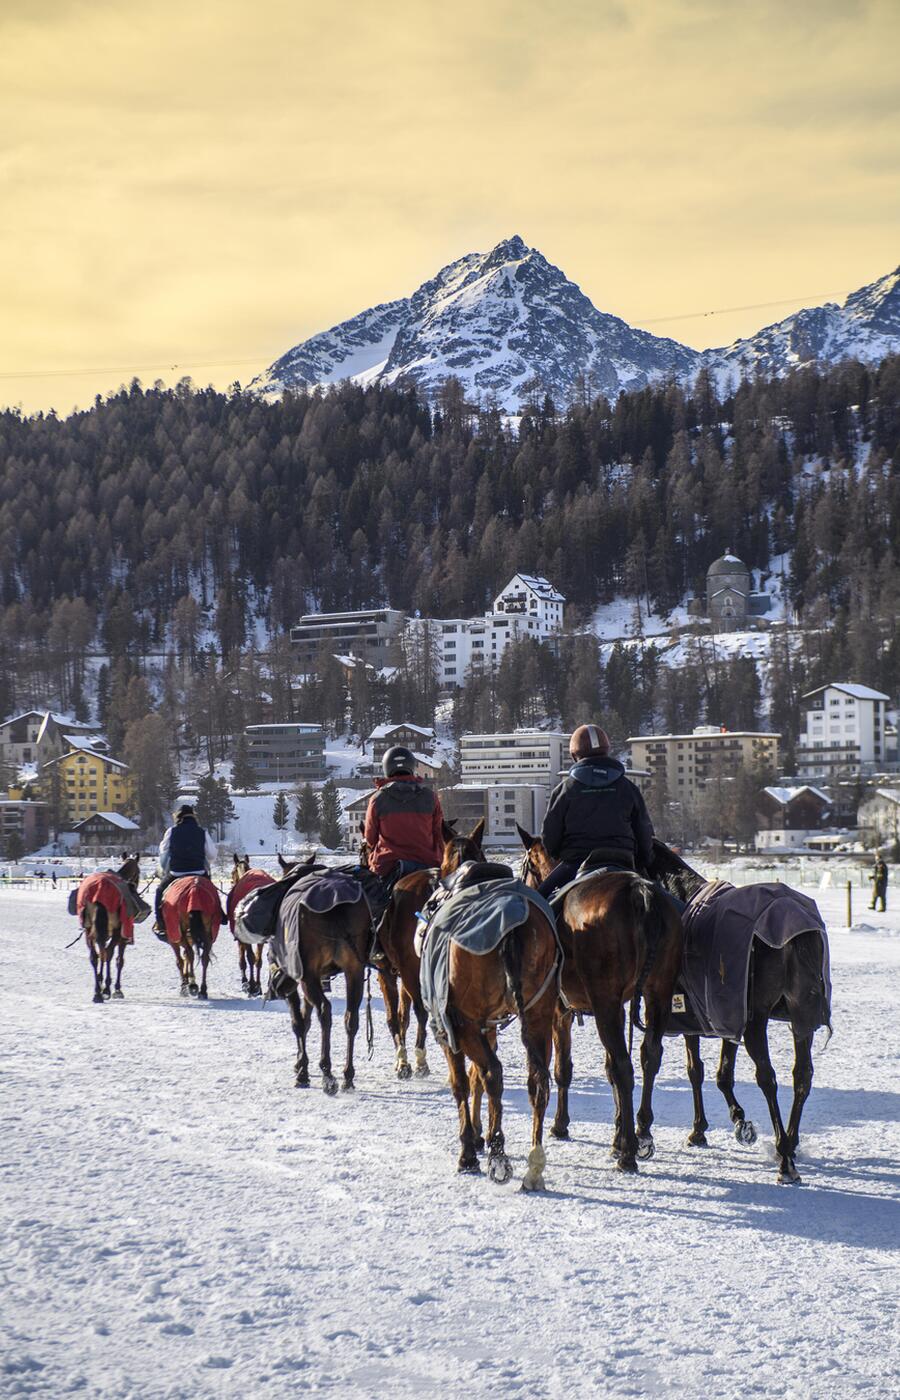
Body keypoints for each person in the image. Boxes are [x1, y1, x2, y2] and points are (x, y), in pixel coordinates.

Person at [538, 724, 655, 900]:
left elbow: (549, 838)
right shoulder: (628, 788)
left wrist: (560, 855)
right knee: (670, 906)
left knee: (537, 902)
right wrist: (644, 861)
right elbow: (644, 831)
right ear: (607, 751)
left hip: (575, 864)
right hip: (624, 862)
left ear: (574, 756)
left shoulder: (565, 790)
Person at [363, 746, 445, 890]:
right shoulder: (430, 797)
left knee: (371, 903)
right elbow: (439, 833)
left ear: (386, 768)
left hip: (388, 867)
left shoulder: (377, 799)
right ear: (412, 767)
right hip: (427, 864)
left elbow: (370, 839)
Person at [154, 803, 218, 936]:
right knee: (213, 892)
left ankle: (160, 921)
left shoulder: (171, 831)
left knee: (160, 891)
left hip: (176, 873)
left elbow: (163, 851)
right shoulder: (202, 832)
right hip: (199, 872)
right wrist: (203, 861)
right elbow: (212, 854)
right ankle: (220, 915)